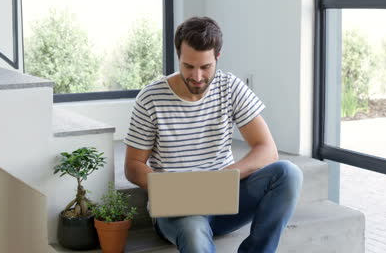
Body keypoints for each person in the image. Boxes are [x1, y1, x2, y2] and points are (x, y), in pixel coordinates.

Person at [124, 16, 303, 253]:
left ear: (217, 57)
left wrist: (223, 178)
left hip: (225, 199)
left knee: (288, 173)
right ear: (178, 57)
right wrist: (177, 189)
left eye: (205, 67)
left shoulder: (229, 87)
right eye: (188, 66)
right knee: (194, 235)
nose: (197, 77)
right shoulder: (151, 98)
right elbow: (133, 166)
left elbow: (267, 149)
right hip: (179, 210)